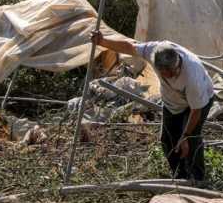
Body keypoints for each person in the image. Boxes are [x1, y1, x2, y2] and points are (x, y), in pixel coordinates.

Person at [91, 31, 214, 182]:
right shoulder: (154, 50)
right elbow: (130, 47)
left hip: (198, 104)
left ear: (178, 63)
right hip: (172, 103)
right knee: (168, 140)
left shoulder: (192, 76)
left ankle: (198, 179)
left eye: (171, 72)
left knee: (192, 141)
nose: (168, 75)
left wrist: (186, 136)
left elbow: (196, 111)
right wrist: (103, 41)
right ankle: (180, 176)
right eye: (163, 73)